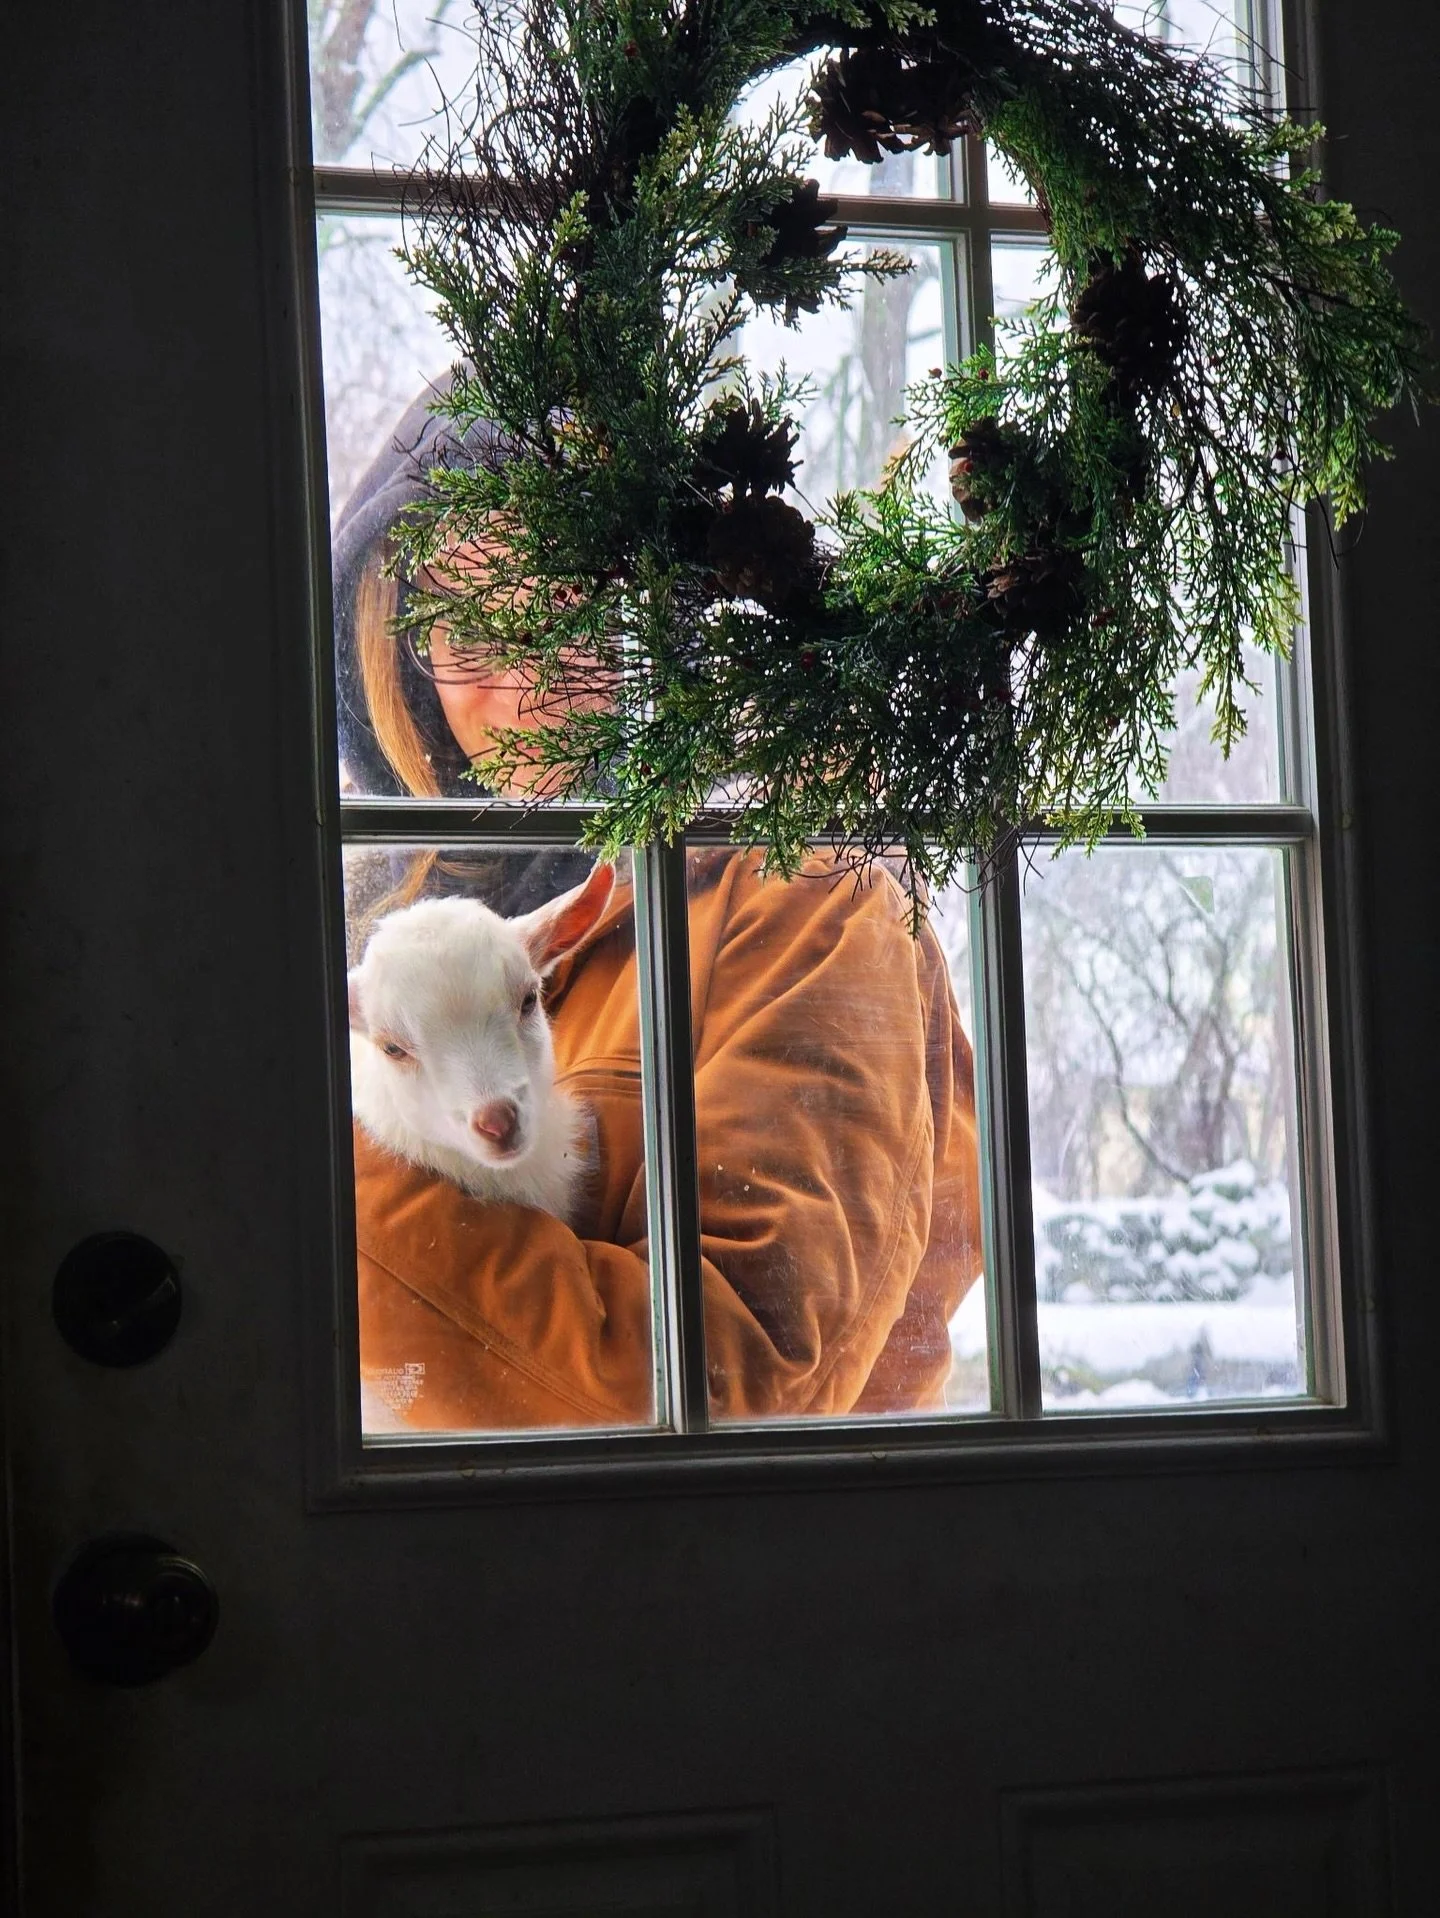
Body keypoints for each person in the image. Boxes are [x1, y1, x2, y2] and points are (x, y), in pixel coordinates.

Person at [334, 388, 984, 1431]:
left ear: (659, 621)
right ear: (404, 662)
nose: (523, 685)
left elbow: (739, 1383)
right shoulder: (394, 931)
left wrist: (318, 1167)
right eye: (468, 626)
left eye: (569, 609)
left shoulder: (799, 896)